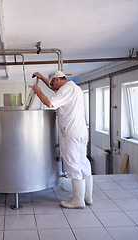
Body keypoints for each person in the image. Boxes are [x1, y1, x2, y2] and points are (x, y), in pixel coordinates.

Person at [32, 70, 93, 209]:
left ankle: (78, 201)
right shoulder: (74, 87)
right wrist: (41, 78)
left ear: (58, 79)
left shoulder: (66, 90)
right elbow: (55, 89)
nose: (52, 88)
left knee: (72, 163)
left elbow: (49, 103)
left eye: (53, 83)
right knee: (82, 161)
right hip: (81, 131)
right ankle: (87, 197)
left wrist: (38, 91)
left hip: (70, 133)